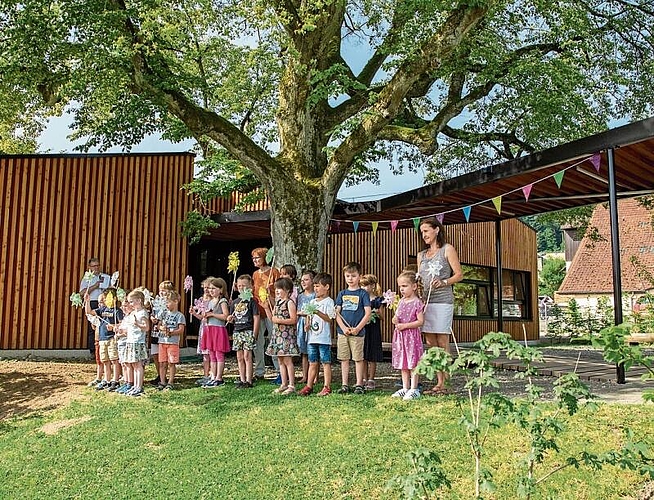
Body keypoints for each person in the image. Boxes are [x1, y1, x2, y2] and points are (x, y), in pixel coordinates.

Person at [417, 217, 463, 395]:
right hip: (426, 302)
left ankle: (446, 382)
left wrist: (444, 281)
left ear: (436, 230)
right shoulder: (421, 255)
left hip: (443, 300)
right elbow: (419, 279)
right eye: (422, 232)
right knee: (430, 342)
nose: (424, 235)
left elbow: (459, 275)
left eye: (426, 231)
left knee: (442, 340)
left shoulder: (447, 249)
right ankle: (438, 381)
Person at [335, 262, 371, 395]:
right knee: (344, 358)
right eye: (348, 276)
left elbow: (367, 313)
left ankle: (359, 384)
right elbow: (337, 313)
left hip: (358, 332)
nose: (350, 278)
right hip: (343, 333)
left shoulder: (363, 294)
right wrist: (343, 327)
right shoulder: (342, 293)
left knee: (358, 358)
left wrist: (358, 328)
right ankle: (344, 384)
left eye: (353, 276)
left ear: (359, 277)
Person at [298, 272, 336, 397]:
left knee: (325, 362)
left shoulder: (329, 302)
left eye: (318, 286)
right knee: (312, 362)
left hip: (323, 338)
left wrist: (319, 312)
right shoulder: (313, 301)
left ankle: (327, 386)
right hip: (312, 338)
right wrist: (307, 324)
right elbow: (309, 315)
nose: (315, 289)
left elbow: (330, 319)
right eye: (314, 286)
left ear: (327, 287)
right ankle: (309, 385)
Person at [391, 271, 425, 400]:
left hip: (411, 336)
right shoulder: (401, 302)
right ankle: (405, 388)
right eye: (400, 286)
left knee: (413, 362)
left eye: (404, 286)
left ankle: (414, 388)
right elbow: (397, 316)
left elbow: (420, 321)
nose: (401, 289)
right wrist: (395, 319)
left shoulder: (417, 302)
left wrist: (405, 326)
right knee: (403, 361)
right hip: (400, 337)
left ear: (414, 286)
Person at [264, 277, 299, 395]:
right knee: (280, 361)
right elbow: (272, 318)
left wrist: (279, 320)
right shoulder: (278, 303)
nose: (277, 291)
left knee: (288, 361)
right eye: (276, 289)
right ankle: (283, 384)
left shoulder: (290, 303)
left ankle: (291, 385)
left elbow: (294, 319)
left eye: (280, 289)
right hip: (277, 336)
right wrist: (266, 308)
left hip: (286, 336)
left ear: (288, 290)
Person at [84, 288, 124, 392]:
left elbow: (122, 323)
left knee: (114, 360)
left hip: (111, 338)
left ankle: (115, 380)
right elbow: (89, 312)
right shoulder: (102, 309)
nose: (105, 300)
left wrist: (114, 326)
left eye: (106, 298)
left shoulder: (117, 310)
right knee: (105, 360)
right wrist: (87, 301)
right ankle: (107, 380)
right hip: (102, 339)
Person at [251, 248, 280, 382]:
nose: (255, 260)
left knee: (274, 338)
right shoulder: (255, 274)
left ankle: (280, 370)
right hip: (258, 310)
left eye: (257, 257)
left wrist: (272, 289)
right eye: (253, 258)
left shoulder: (274, 271)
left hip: (271, 309)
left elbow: (280, 289)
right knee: (258, 341)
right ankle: (259, 371)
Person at [227, 274, 260, 389]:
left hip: (248, 331)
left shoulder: (252, 301)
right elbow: (233, 318)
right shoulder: (235, 302)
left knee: (247, 356)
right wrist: (230, 319)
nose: (242, 288)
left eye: (244, 286)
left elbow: (256, 317)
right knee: (239, 357)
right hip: (237, 331)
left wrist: (255, 333)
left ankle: (249, 380)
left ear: (250, 287)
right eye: (239, 285)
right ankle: (242, 379)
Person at [200, 277, 231, 387]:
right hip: (210, 329)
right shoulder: (209, 301)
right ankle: (213, 376)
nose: (211, 290)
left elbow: (225, 316)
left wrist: (212, 314)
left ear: (221, 289)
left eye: (214, 288)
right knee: (211, 354)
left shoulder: (222, 301)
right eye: (210, 288)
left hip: (218, 329)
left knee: (219, 354)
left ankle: (219, 377)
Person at [122, 290, 150, 397]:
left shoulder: (143, 313)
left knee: (138, 365)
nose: (130, 304)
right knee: (134, 364)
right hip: (131, 340)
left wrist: (137, 323)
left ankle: (139, 387)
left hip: (138, 341)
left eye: (131, 301)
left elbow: (146, 327)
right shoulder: (133, 313)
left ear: (139, 300)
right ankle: (135, 385)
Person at [157, 291, 186, 390]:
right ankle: (162, 381)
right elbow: (158, 325)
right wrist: (161, 328)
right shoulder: (163, 313)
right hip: (162, 341)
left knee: (171, 362)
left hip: (172, 342)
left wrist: (171, 332)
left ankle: (170, 382)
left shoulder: (180, 315)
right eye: (165, 302)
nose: (166, 304)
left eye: (168, 302)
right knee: (162, 362)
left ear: (176, 301)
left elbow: (181, 329)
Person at [79, 257, 109, 353]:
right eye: (94, 266)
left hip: (104, 303)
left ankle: (103, 348)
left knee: (104, 323)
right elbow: (82, 292)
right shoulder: (87, 278)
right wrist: (95, 286)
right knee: (93, 325)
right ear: (89, 267)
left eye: (97, 265)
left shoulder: (104, 276)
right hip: (92, 301)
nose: (96, 268)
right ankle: (93, 350)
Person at [360, 274, 384, 391]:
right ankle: (363, 378)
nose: (364, 288)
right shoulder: (361, 299)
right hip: (363, 328)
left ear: (373, 286)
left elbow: (382, 316)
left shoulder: (378, 300)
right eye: (362, 286)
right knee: (363, 354)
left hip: (374, 329)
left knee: (372, 355)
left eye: (367, 285)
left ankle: (371, 379)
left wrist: (376, 312)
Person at [150, 280, 175, 386]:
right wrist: (152, 318)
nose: (161, 292)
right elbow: (152, 313)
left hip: (164, 332)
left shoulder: (169, 303)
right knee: (155, 354)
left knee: (165, 356)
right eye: (160, 290)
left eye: (164, 290)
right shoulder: (156, 301)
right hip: (155, 330)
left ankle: (169, 376)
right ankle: (160, 375)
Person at [190, 277, 214, 385]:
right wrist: (195, 313)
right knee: (205, 353)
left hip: (212, 328)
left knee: (212, 352)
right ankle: (205, 375)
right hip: (203, 327)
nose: (206, 289)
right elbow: (202, 317)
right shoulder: (201, 300)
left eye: (208, 287)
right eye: (204, 287)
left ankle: (213, 374)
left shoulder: (214, 301)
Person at [296, 269, 316, 384]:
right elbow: (298, 311)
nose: (303, 282)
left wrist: (304, 312)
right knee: (304, 352)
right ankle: (305, 376)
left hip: (312, 324)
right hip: (301, 325)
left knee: (313, 351)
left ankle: (314, 377)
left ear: (313, 281)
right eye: (302, 280)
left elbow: (313, 311)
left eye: (306, 280)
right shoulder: (300, 296)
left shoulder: (315, 295)